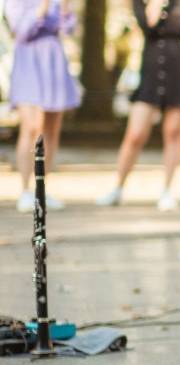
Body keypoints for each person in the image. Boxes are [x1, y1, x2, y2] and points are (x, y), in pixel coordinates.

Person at [96, 0, 180, 211]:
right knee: (135, 134)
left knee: (173, 132)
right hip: (151, 73)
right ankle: (118, 187)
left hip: (179, 72)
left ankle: (167, 190)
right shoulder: (141, 2)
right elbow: (147, 26)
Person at [5, 0, 81, 213]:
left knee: (51, 130)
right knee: (31, 128)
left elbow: (68, 29)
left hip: (53, 63)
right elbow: (20, 31)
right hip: (29, 62)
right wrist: (44, 6)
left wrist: (65, 8)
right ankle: (25, 190)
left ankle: (42, 190)